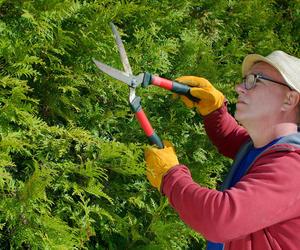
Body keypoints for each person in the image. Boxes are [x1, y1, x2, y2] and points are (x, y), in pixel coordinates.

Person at [145, 50, 300, 250]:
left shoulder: (293, 169)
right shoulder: (264, 149)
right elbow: (233, 139)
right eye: (244, 80)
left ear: (289, 99)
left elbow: (220, 219)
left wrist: (170, 177)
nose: (239, 88)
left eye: (255, 80)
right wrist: (214, 111)